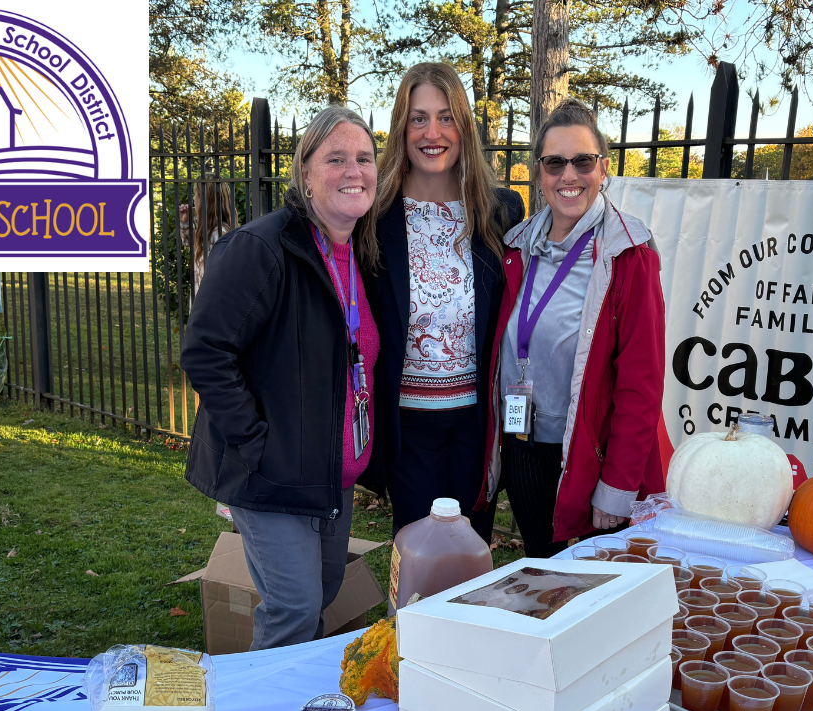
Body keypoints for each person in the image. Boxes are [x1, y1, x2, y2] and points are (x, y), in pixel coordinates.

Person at [181, 107, 380, 649]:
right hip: (272, 473)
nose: (352, 171)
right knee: (294, 609)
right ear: (305, 173)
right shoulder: (261, 247)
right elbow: (205, 351)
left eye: (363, 158)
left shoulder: (356, 251)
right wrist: (254, 442)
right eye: (335, 158)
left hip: (331, 473)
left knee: (324, 591)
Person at [476, 98, 666, 557]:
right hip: (523, 448)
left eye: (582, 161)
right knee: (542, 572)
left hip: (587, 457)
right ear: (538, 173)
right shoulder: (516, 247)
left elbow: (642, 385)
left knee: (588, 597)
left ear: (603, 169)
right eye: (554, 163)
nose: (569, 176)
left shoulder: (629, 253)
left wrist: (616, 486)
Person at [367, 62, 524, 542]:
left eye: (446, 117)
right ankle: (409, 623)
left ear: (464, 127)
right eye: (418, 118)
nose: (432, 132)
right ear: (402, 128)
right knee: (417, 553)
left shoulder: (500, 210)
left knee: (470, 551)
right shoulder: (374, 217)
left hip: (477, 423)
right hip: (409, 425)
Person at [179, 181, 238, 297]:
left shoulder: (219, 233)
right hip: (203, 303)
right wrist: (185, 222)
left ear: (206, 201)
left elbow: (225, 276)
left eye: (196, 194)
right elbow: (195, 249)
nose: (193, 198)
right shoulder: (208, 230)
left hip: (210, 306)